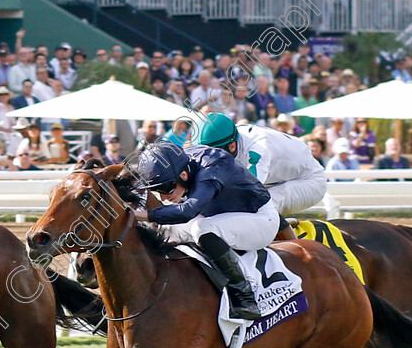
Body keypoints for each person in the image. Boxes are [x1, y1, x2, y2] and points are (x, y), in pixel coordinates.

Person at [133, 141, 277, 320]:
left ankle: (245, 297)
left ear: (184, 175)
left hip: (260, 220)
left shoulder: (210, 170)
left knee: (202, 229)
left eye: (165, 188)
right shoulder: (180, 162)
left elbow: (188, 211)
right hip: (221, 218)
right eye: (156, 190)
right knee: (165, 230)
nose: (163, 197)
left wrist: (138, 215)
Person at [194, 114, 326, 239]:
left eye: (213, 154)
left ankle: (295, 249)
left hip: (309, 180)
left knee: (262, 204)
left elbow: (248, 194)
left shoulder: (258, 149)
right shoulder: (228, 140)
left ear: (232, 146)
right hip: (275, 178)